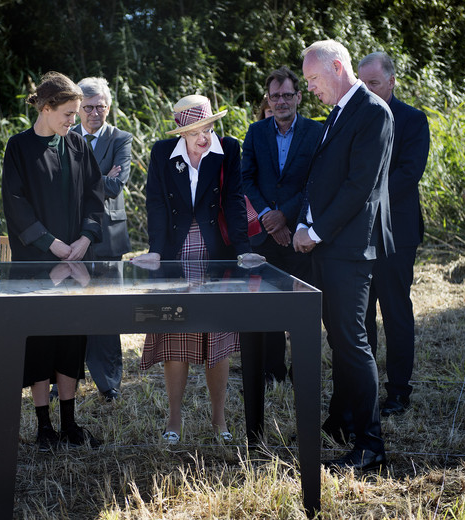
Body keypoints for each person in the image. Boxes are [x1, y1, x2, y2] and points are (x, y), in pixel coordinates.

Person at [132, 95, 264, 444]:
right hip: (175, 252)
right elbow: (157, 204)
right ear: (179, 131)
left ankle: (219, 421)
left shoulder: (229, 150)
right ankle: (174, 420)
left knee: (216, 337)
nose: (203, 137)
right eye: (194, 131)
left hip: (215, 252)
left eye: (207, 128)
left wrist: (244, 250)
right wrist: (157, 251)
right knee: (177, 335)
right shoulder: (162, 153)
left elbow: (235, 202)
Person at [294, 40, 394, 470]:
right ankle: (344, 421)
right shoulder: (337, 113)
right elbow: (319, 180)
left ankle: (370, 446)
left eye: (314, 80)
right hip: (326, 247)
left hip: (349, 250)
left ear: (337, 67)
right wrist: (302, 221)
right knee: (338, 339)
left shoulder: (373, 112)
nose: (311, 89)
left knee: (353, 344)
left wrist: (315, 231)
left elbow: (360, 187)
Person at [2, 71, 105, 451]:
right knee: (41, 345)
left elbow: (95, 197)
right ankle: (44, 428)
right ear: (45, 108)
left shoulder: (78, 146)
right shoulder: (19, 148)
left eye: (75, 113)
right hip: (38, 267)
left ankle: (70, 424)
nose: (73, 121)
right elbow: (15, 205)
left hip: (77, 265)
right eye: (67, 113)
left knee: (70, 343)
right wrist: (52, 245)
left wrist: (83, 239)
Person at [240, 66, 322, 443]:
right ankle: (271, 370)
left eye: (288, 95)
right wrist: (270, 219)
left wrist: (286, 216)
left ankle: (300, 368)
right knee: (266, 306)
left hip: (301, 234)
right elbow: (246, 179)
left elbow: (314, 182)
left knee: (301, 304)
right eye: (275, 97)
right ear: (267, 101)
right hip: (265, 238)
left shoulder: (316, 131)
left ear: (298, 97)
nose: (282, 102)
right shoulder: (256, 132)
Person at [358, 52, 430, 417]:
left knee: (396, 312)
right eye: (362, 83)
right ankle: (365, 389)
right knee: (361, 314)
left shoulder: (413, 120)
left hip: (395, 233)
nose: (366, 89)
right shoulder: (355, 117)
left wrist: (362, 196)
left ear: (391, 82)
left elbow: (408, 174)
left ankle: (398, 392)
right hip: (357, 234)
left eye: (373, 83)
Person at [71, 77, 133, 402]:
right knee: (71, 309)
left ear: (108, 107)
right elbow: (59, 184)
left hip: (109, 237)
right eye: (88, 106)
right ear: (79, 107)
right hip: (71, 238)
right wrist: (100, 176)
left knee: (108, 310)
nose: (94, 112)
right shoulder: (65, 136)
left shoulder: (121, 138)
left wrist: (79, 179)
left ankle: (109, 383)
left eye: (100, 106)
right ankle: (65, 378)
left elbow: (115, 186)